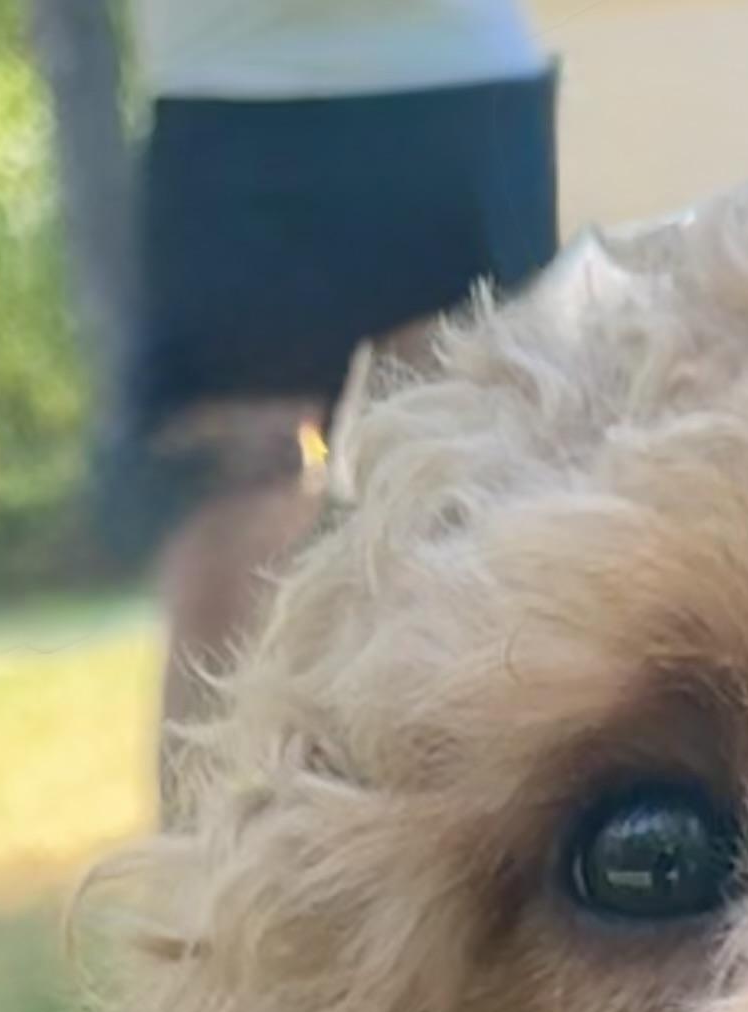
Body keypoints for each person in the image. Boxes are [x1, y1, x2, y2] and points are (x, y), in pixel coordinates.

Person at [128, 0, 560, 793]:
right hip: (228, 100)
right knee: (232, 548)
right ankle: (201, 903)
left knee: (469, 529)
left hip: (451, 87)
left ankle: (463, 878)